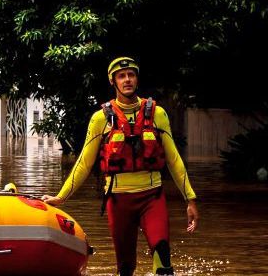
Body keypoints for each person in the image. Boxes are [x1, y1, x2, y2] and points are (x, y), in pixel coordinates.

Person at [42, 57, 199, 276]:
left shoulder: (158, 114)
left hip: (152, 197)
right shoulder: (100, 119)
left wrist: (189, 199)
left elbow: (174, 159)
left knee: (163, 258)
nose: (127, 80)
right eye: (121, 76)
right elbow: (84, 163)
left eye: (131, 75)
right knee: (125, 268)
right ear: (113, 81)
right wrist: (61, 197)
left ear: (137, 78)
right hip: (118, 200)